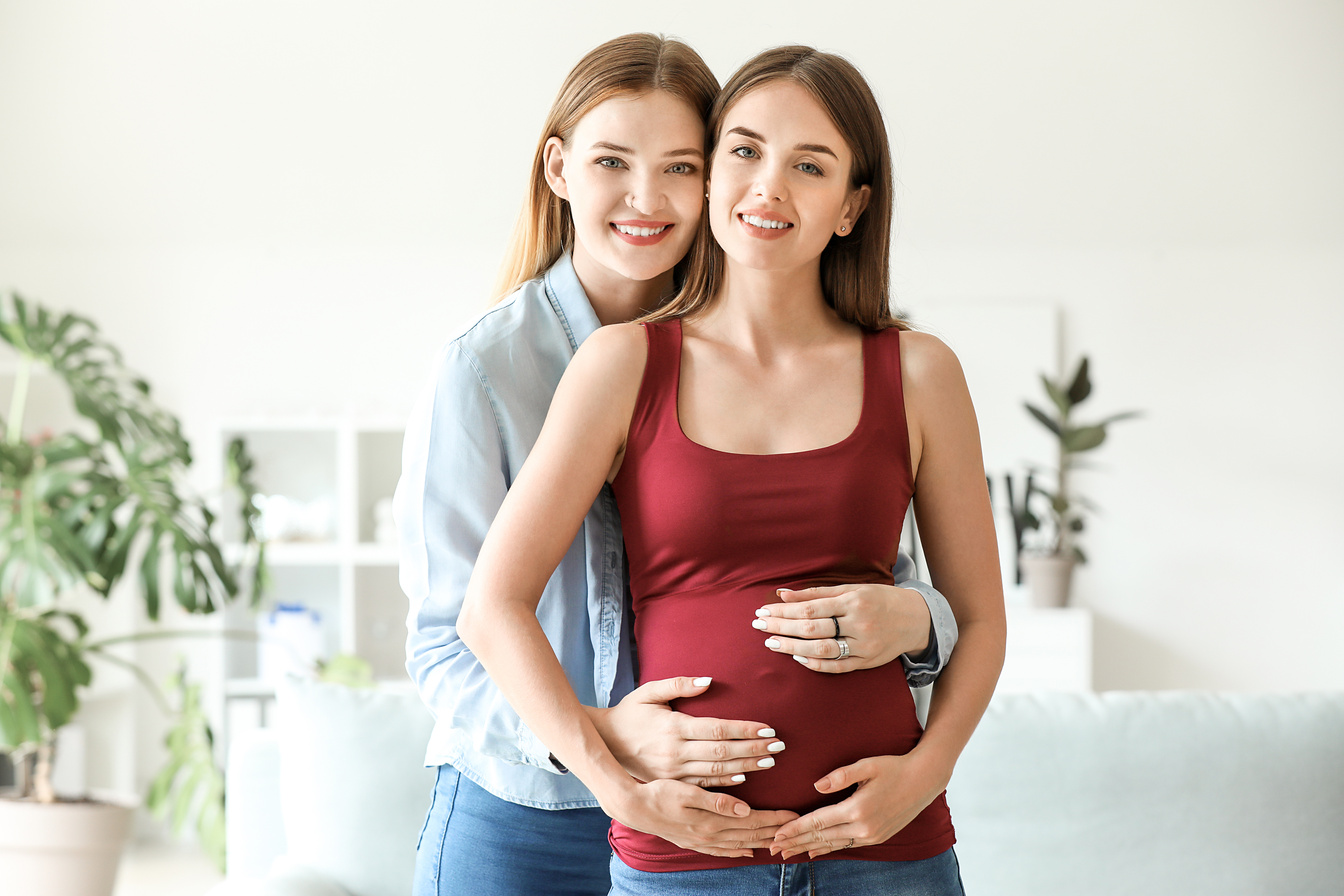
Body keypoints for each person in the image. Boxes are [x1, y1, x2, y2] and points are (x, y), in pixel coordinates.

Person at [398, 35, 962, 896]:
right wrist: (605, 750)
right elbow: (453, 630)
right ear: (558, 169)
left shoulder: (814, 359)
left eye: (681, 166)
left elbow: (880, 574)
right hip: (531, 804)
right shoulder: (489, 368)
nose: (646, 198)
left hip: (728, 822)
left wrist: (916, 621)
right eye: (613, 161)